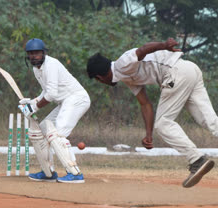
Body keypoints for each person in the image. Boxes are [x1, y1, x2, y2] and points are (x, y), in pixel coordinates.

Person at [86, 38, 216, 188]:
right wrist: (148, 134)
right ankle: (197, 159)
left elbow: (143, 49)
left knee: (163, 124)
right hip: (189, 70)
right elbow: (145, 103)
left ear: (99, 78)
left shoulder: (122, 64)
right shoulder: (126, 77)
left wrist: (164, 45)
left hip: (175, 73)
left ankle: (197, 159)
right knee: (208, 121)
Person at [18, 38, 91, 183]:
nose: (34, 56)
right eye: (31, 53)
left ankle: (75, 173)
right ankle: (48, 172)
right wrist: (32, 102)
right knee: (43, 129)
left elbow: (51, 95)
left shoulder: (51, 64)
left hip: (76, 99)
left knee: (57, 134)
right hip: (64, 101)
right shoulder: (36, 69)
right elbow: (45, 91)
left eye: (37, 53)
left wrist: (34, 107)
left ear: (44, 53)